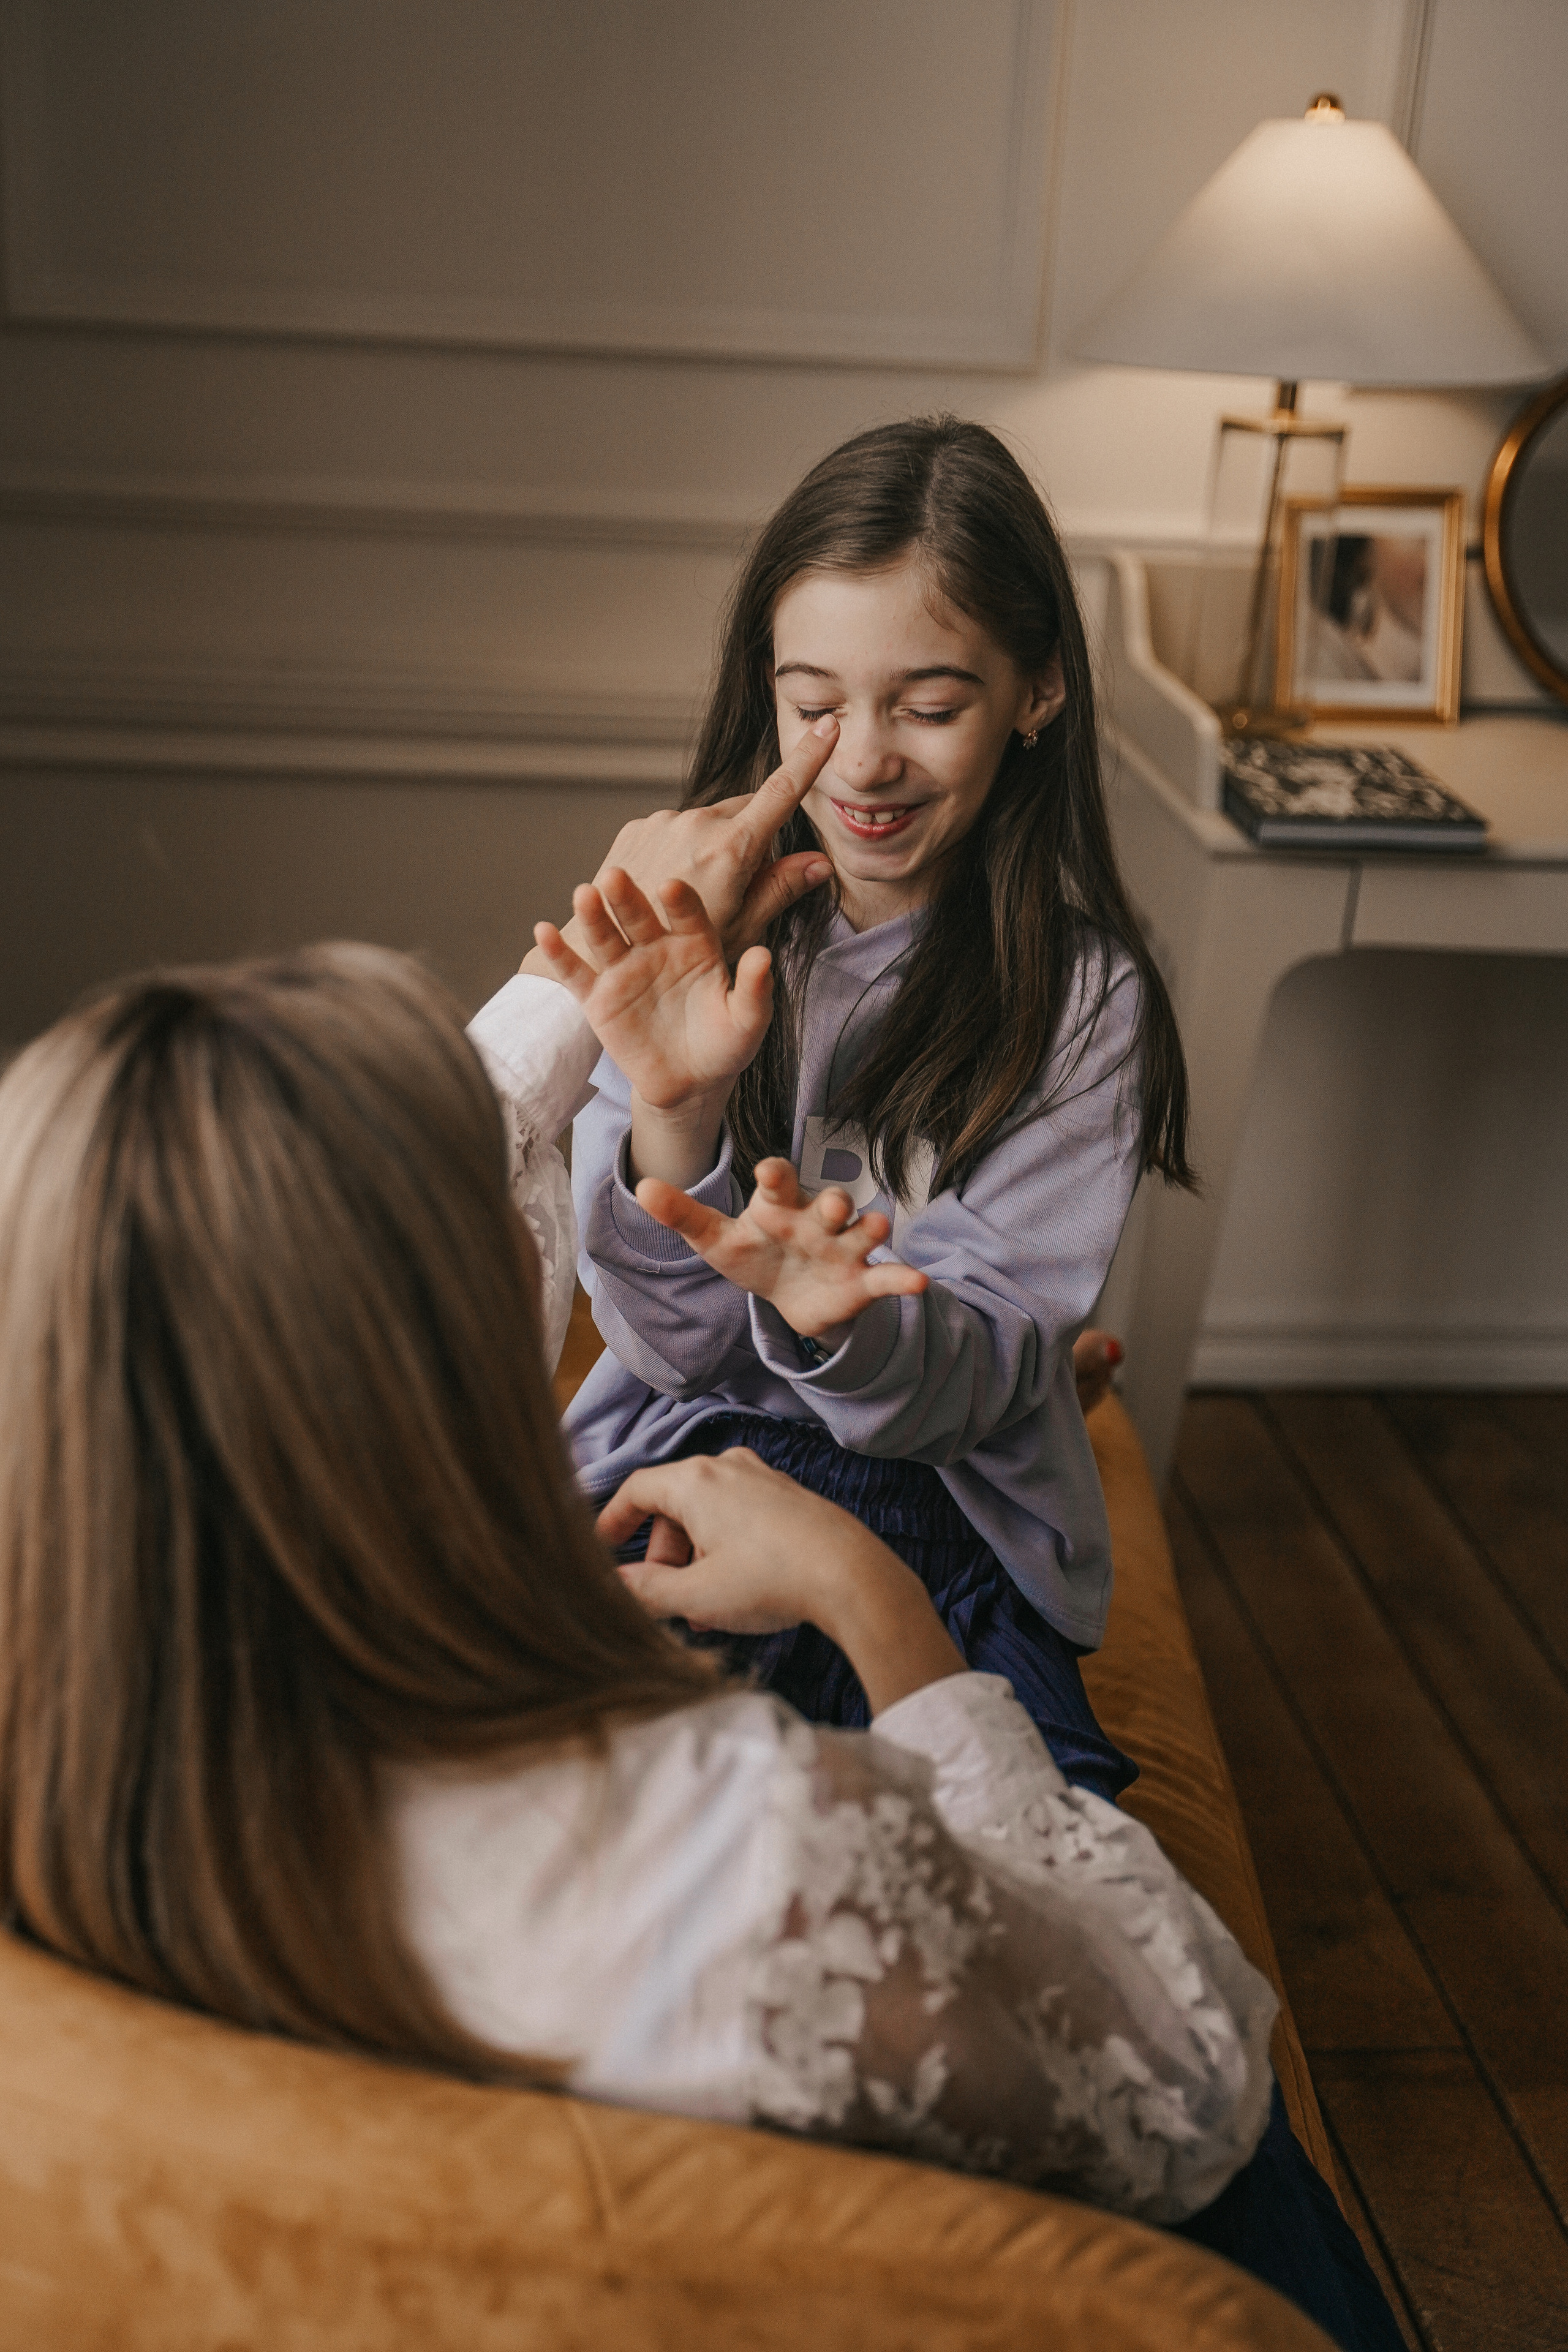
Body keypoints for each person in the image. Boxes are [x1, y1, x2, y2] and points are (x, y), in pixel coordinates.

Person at [0, 943, 1399, 2348]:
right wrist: (879, 1611)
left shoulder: (77, 1752)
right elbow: (1188, 2072)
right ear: (448, 1325)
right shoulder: (756, 1845)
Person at [503, 416, 1189, 1805]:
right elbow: (655, 1342)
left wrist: (849, 1321)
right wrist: (676, 1119)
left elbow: (977, 1377)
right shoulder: (686, 928)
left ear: (1037, 690)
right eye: (813, 705)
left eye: (927, 706)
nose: (860, 761)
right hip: (670, 1451)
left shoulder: (1081, 1001)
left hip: (935, 1509)